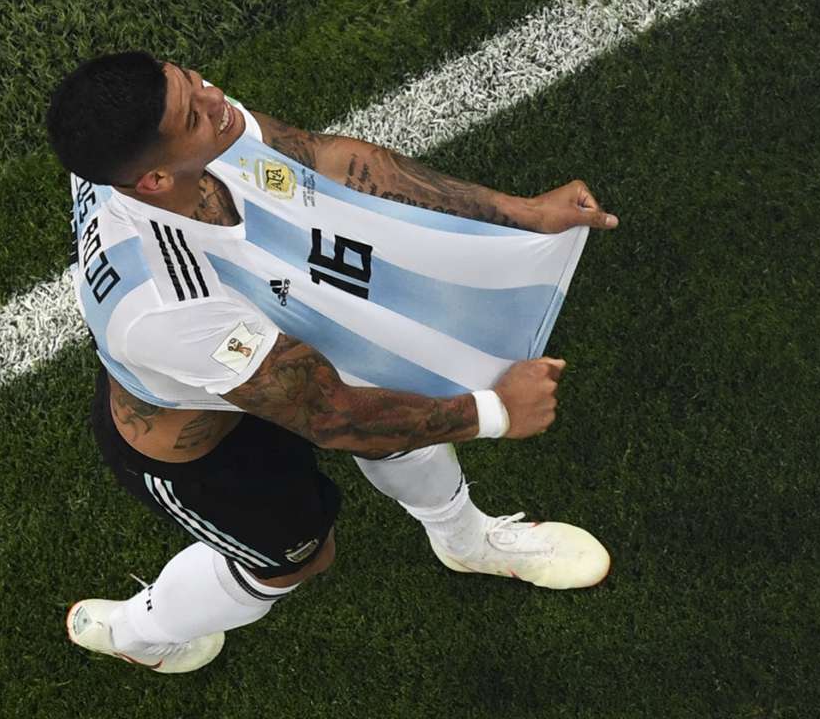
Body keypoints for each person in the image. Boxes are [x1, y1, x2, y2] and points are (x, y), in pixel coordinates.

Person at [45, 51, 619, 674]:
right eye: (193, 112)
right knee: (298, 558)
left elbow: (327, 160)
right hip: (200, 440)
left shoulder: (177, 139)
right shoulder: (166, 305)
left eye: (193, 79)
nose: (215, 100)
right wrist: (498, 413)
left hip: (250, 325)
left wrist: (521, 212)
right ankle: (140, 632)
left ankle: (467, 541)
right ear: (154, 180)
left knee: (392, 377)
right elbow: (332, 415)